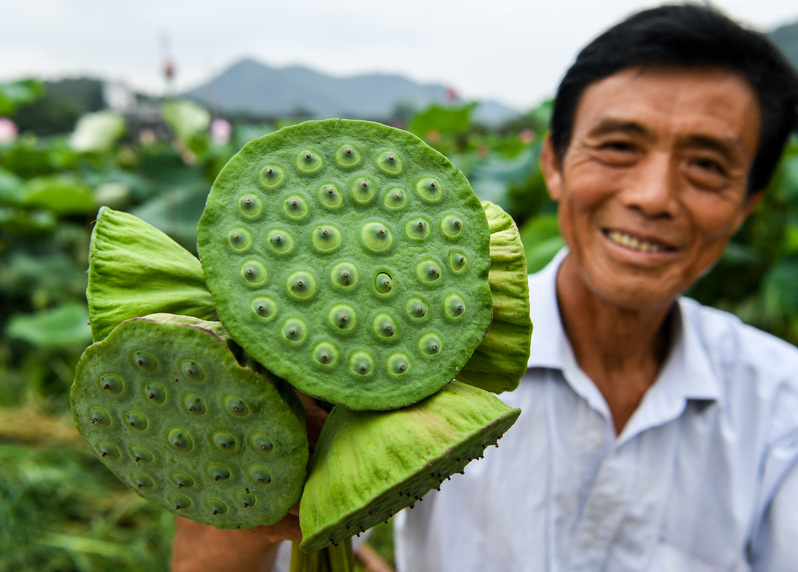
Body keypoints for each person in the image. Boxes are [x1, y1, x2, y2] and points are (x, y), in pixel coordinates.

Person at [172, 3, 798, 571]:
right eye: (618, 146)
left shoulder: (781, 404)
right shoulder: (403, 342)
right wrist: (265, 446)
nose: (653, 196)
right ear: (553, 164)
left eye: (706, 165)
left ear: (749, 203)